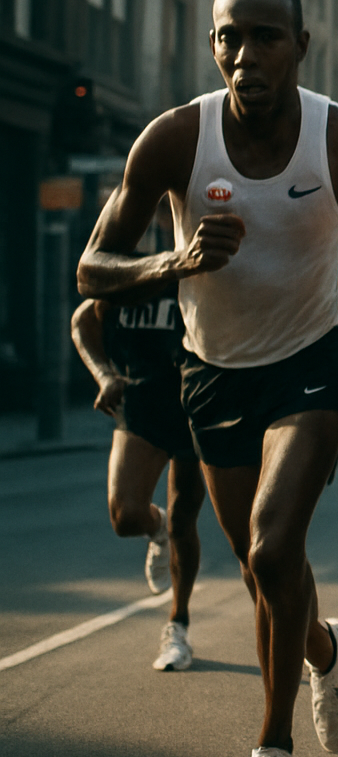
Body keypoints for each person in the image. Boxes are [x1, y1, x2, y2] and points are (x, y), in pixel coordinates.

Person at [77, 0, 338, 757]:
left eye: (266, 38)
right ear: (214, 46)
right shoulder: (174, 140)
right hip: (213, 375)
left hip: (312, 367)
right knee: (260, 570)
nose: (245, 57)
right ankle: (323, 649)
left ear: (300, 47)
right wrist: (175, 265)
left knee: (278, 546)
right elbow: (94, 272)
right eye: (228, 39)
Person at [70, 271, 205, 672]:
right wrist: (105, 375)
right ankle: (155, 527)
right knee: (126, 515)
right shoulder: (127, 270)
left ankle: (177, 625)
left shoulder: (196, 265)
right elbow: (83, 321)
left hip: (193, 400)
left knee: (185, 519)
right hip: (140, 400)